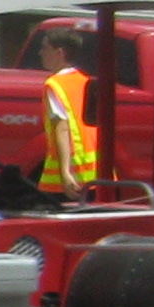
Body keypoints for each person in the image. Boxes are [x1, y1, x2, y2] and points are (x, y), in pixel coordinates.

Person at [37, 25, 99, 194]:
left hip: (71, 177)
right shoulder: (84, 81)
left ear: (60, 53)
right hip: (95, 172)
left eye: (44, 48)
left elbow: (62, 128)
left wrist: (65, 172)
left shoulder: (55, 85)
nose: (40, 53)